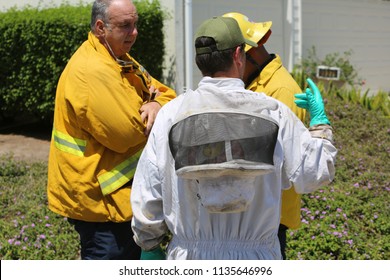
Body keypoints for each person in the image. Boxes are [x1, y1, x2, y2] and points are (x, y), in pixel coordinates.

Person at [130, 16, 337, 260]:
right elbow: (314, 174)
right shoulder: (273, 112)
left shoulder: (171, 114)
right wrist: (320, 124)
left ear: (200, 62)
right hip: (257, 258)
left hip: (190, 256)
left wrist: (149, 244)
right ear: (239, 54)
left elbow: (148, 194)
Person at [47, 0, 176, 260]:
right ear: (100, 28)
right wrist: (153, 106)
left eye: (135, 24)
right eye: (125, 26)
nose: (134, 32)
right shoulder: (92, 70)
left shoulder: (117, 57)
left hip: (116, 199)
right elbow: (126, 133)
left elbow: (167, 94)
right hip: (100, 203)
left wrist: (154, 102)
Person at [223, 12, 306, 259]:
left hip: (269, 217)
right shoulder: (256, 82)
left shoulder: (280, 90)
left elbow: (277, 160)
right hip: (253, 211)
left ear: (242, 55)